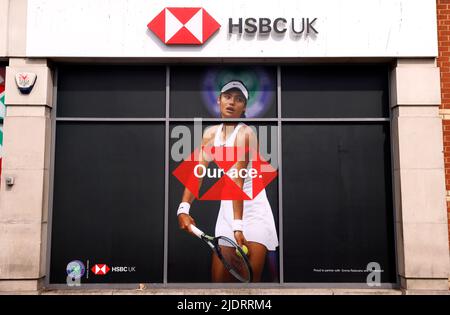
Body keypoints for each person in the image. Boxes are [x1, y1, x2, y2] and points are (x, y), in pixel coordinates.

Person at [177, 80, 279, 282]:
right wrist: (183, 210)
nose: (232, 102)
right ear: (219, 100)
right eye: (228, 96)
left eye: (239, 99)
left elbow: (237, 181)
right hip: (227, 213)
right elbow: (197, 173)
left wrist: (238, 226)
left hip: (254, 214)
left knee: (247, 285)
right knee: (218, 285)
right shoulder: (210, 135)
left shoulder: (245, 134)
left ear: (244, 108)